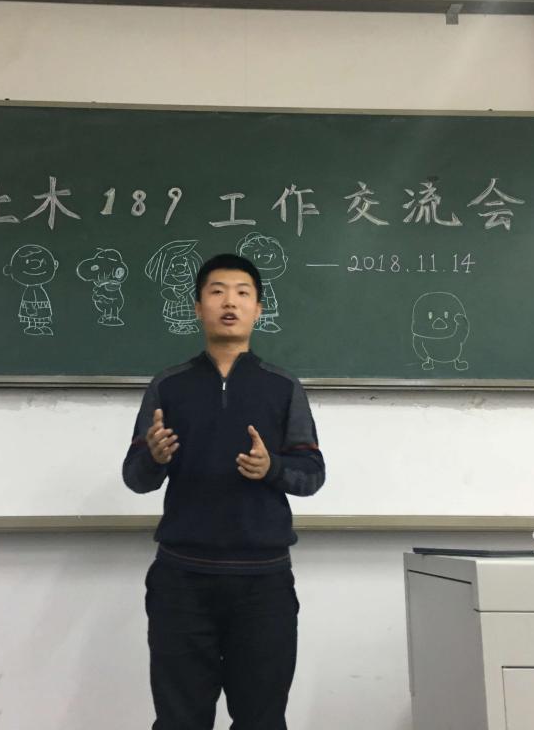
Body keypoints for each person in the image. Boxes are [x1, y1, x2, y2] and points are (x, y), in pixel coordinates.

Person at [122, 253, 326, 730]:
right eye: (216, 292)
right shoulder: (169, 385)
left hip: (263, 583)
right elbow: (136, 477)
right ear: (198, 308)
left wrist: (272, 468)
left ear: (258, 309)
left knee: (261, 719)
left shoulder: (282, 386)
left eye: (242, 293)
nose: (229, 302)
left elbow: (312, 474)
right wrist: (155, 456)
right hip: (181, 579)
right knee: (179, 720)